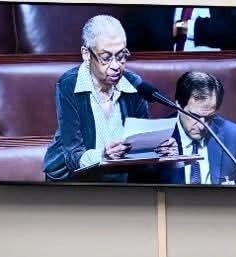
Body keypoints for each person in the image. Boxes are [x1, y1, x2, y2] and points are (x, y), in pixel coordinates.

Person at [43, 15, 174, 183]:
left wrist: (159, 149)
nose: (116, 66)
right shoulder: (69, 84)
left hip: (120, 180)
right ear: (86, 54)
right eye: (106, 58)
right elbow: (73, 155)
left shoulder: (134, 84)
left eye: (121, 56)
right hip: (74, 180)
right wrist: (102, 155)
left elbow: (139, 146)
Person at [160, 72, 236, 186]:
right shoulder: (158, 136)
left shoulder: (233, 136)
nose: (202, 126)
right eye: (194, 116)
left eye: (209, 117)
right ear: (178, 106)